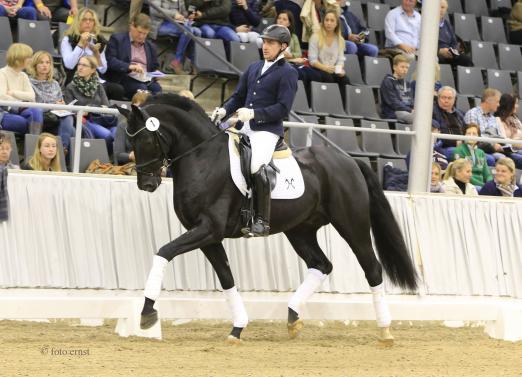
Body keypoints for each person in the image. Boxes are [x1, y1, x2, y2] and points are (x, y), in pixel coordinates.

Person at [214, 24, 298, 236]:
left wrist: (254, 114)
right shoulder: (253, 68)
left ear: (283, 46)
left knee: (255, 165)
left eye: (271, 43)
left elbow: (283, 108)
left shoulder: (288, 73)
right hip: (243, 127)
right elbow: (238, 97)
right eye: (265, 42)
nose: (265, 46)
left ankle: (261, 220)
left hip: (267, 131)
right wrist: (224, 109)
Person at [64, 56, 117, 152]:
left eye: (84, 65)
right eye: (79, 64)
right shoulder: (70, 87)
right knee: (107, 135)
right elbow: (69, 109)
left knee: (117, 133)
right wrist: (84, 111)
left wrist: (89, 108)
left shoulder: (98, 86)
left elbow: (106, 107)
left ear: (93, 69)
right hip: (84, 121)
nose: (80, 67)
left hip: (101, 119)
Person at [106, 13, 162, 99]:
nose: (141, 36)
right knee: (142, 90)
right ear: (132, 26)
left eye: (145, 34)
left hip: (145, 78)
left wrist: (156, 74)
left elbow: (154, 66)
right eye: (139, 32)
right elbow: (111, 60)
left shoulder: (150, 46)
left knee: (157, 90)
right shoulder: (117, 39)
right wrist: (130, 66)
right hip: (125, 77)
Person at [28, 50, 75, 154]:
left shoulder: (55, 83)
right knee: (72, 130)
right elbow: (33, 105)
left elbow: (59, 100)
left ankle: (63, 149)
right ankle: (62, 153)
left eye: (47, 62)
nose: (45, 65)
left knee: (69, 118)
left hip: (56, 115)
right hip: (40, 116)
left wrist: (62, 105)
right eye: (41, 62)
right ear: (35, 65)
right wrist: (53, 106)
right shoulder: (29, 82)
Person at [296, 8, 347, 98]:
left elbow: (340, 59)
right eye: (326, 20)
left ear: (336, 24)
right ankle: (327, 104)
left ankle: (342, 107)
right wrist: (325, 68)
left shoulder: (340, 40)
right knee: (328, 78)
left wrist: (339, 69)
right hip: (317, 69)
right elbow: (312, 60)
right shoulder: (315, 37)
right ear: (323, 22)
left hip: (332, 69)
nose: (329, 23)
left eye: (332, 21)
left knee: (345, 79)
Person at [464, 88, 520, 167]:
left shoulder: (493, 118)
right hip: (481, 148)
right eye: (497, 101)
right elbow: (473, 136)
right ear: (489, 101)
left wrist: (508, 146)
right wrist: (493, 145)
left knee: (519, 155)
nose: (499, 105)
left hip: (498, 148)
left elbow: (500, 136)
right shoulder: (472, 114)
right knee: (501, 158)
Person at [0, 43, 44, 136]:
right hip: (4, 112)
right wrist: (21, 101)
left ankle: (34, 141)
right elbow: (2, 97)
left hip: (19, 109)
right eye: (29, 57)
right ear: (19, 58)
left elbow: (32, 96)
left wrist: (13, 93)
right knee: (23, 122)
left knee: (36, 111)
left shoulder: (23, 75)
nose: (31, 60)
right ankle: (34, 141)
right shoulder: (2, 73)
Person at [149, 0, 202, 75]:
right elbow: (155, 10)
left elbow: (183, 13)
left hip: (177, 24)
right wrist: (174, 14)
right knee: (187, 30)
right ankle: (177, 61)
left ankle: (193, 63)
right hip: (160, 25)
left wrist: (189, 15)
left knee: (197, 32)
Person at [452, 123, 493, 188]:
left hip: (482, 185)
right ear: (464, 135)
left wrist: (490, 185)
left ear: (478, 136)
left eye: (474, 134)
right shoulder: (459, 150)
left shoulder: (481, 152)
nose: (471, 136)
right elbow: (462, 174)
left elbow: (487, 174)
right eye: (468, 133)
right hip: (468, 184)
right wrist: (483, 186)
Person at [379, 54, 414, 123]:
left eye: (407, 68)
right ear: (394, 67)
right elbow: (393, 103)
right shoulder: (388, 81)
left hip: (407, 111)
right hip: (394, 112)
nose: (405, 70)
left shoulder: (407, 84)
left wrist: (413, 109)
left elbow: (411, 101)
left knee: (426, 118)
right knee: (419, 120)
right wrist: (410, 110)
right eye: (402, 67)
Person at [437, 0, 472, 67]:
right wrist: (440, 51)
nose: (440, 9)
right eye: (438, 7)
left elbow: (454, 43)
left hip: (449, 54)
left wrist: (452, 52)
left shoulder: (447, 24)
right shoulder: (428, 23)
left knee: (466, 60)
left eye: (443, 7)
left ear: (446, 10)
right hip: (436, 53)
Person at [432, 86, 466, 152]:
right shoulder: (432, 112)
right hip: (443, 148)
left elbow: (466, 131)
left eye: (449, 98)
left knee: (489, 158)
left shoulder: (460, 114)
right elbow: (437, 136)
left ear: (454, 100)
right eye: (443, 97)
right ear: (438, 98)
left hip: (462, 146)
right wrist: (455, 143)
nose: (446, 101)